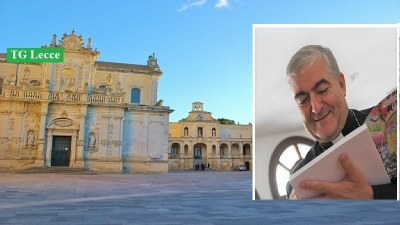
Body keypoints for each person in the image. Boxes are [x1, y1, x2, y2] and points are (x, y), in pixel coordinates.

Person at [285, 45, 397, 199]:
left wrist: (372, 196)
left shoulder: (390, 121)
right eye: (303, 100)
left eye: (322, 90)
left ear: (341, 84)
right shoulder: (297, 183)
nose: (316, 108)